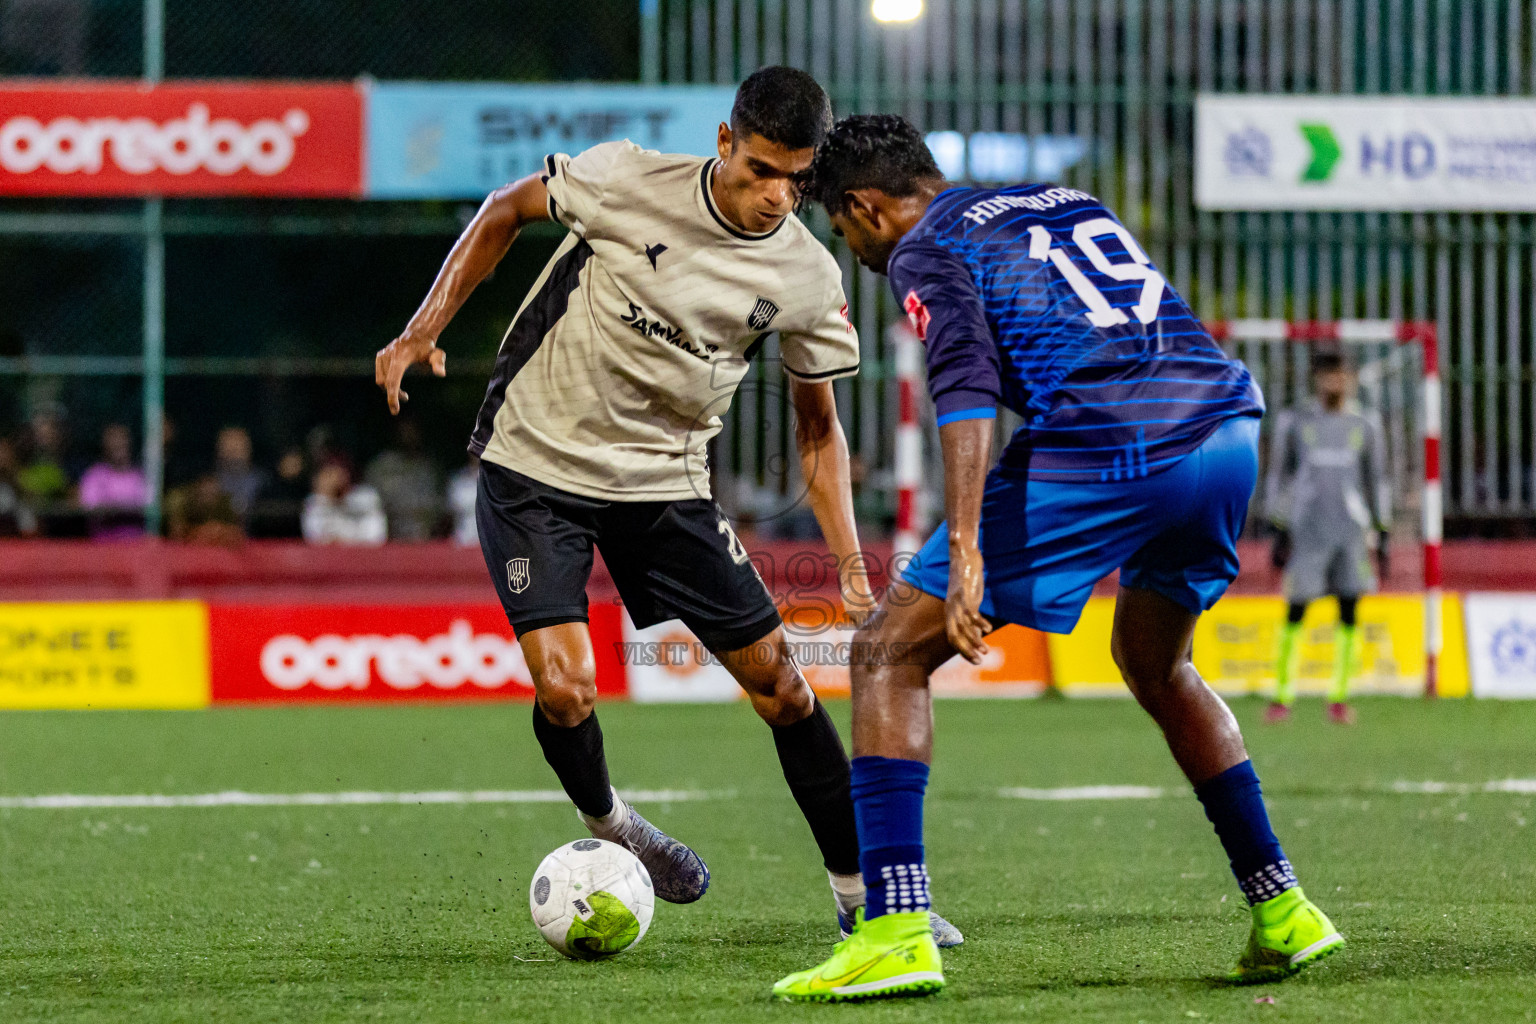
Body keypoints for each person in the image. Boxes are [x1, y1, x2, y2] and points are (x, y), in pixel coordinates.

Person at [373, 68, 959, 947]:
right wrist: (425, 327)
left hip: (664, 486)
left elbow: (818, 432)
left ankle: (862, 896)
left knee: (784, 688)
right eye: (761, 169)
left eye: (797, 181)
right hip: (534, 464)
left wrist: (847, 570)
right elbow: (502, 208)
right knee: (567, 687)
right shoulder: (625, 181)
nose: (777, 197)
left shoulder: (805, 272)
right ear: (724, 143)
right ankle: (616, 826)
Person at [775, 115, 1342, 1001]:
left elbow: (962, 382)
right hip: (1227, 432)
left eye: (845, 232)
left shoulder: (928, 245)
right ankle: (1284, 909)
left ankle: (891, 929)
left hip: (1115, 445)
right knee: (1156, 664)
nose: (854, 250)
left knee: (886, 652)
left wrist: (964, 547)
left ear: (866, 206)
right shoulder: (1068, 200)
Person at [1264, 349, 1390, 725]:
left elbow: (1376, 480)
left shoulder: (1365, 423)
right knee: (1296, 608)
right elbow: (1279, 476)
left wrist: (1382, 529)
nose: (1334, 382)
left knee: (1350, 608)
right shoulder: (1295, 420)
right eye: (1327, 375)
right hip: (1307, 529)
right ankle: (1283, 694)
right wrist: (1279, 524)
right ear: (1316, 379)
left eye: (1341, 375)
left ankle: (1339, 695)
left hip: (1350, 531)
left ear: (1350, 378)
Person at [365, 420, 443, 541]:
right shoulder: (382, 466)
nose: (408, 435)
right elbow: (372, 504)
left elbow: (438, 508)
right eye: (404, 430)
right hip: (391, 537)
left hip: (424, 538)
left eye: (412, 430)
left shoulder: (429, 468)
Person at [77, 423, 148, 539]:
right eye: (113, 440)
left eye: (122, 440)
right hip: (102, 545)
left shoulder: (140, 475)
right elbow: (90, 507)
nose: (118, 444)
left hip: (136, 545)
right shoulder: (94, 475)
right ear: (104, 445)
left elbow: (148, 505)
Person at [301, 459, 387, 546]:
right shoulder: (313, 503)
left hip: (364, 555)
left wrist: (345, 541)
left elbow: (376, 537)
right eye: (326, 475)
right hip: (329, 556)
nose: (333, 480)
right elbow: (314, 539)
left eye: (335, 474)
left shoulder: (366, 497)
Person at [213, 426, 268, 527]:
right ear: (218, 448)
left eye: (238, 442)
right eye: (228, 442)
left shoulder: (263, 481)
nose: (233, 448)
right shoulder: (211, 483)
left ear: (249, 446)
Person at [0, 436, 38, 537]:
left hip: (18, 539)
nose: (2, 457)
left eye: (5, 452)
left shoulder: (21, 478)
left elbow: (30, 525)